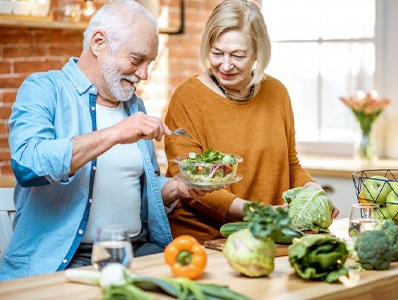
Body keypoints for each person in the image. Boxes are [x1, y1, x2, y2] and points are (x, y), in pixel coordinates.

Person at [0, 0, 205, 281]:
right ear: (98, 43)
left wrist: (176, 187)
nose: (143, 74)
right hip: (67, 261)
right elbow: (28, 165)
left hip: (138, 252)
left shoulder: (135, 106)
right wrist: (114, 134)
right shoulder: (44, 89)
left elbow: (135, 189)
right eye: (136, 60)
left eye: (149, 63)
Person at [164, 0, 340, 244]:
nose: (225, 65)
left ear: (258, 51)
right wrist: (257, 212)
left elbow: (290, 164)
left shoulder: (277, 92)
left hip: (266, 234)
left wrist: (314, 194)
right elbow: (188, 181)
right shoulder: (187, 98)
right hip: (205, 238)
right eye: (216, 53)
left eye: (237, 55)